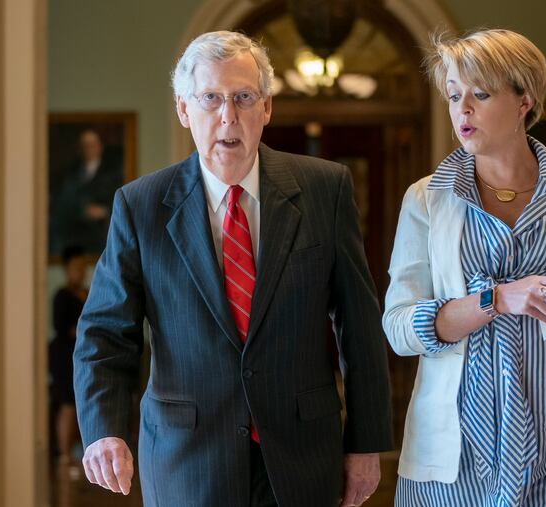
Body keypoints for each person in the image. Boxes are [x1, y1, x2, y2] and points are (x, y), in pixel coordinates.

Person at [73, 31, 392, 507]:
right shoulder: (141, 206)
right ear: (184, 110)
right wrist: (103, 430)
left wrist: (366, 443)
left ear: (266, 108)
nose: (229, 116)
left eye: (244, 97)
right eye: (211, 99)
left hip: (303, 452)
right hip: (187, 457)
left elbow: (358, 323)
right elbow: (104, 331)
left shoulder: (326, 189)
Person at [383, 29, 546, 506]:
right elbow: (399, 328)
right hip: (455, 460)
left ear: (524, 99)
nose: (461, 110)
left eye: (480, 95)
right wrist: (496, 299)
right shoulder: (427, 199)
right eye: (453, 95)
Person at [50, 129, 123, 255]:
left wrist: (104, 211)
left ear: (100, 147)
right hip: (77, 230)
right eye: (85, 146)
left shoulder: (113, 173)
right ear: (80, 149)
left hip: (102, 230)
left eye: (92, 145)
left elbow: (122, 200)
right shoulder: (71, 173)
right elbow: (63, 202)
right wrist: (81, 209)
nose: (89, 149)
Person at [49, 245, 88, 465]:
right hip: (64, 357)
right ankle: (64, 456)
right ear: (66, 269)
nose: (80, 272)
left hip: (82, 356)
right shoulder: (61, 296)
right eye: (76, 267)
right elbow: (61, 327)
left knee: (81, 405)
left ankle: (77, 455)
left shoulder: (88, 292)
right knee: (67, 404)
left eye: (83, 267)